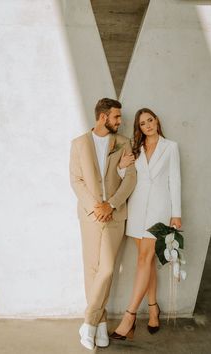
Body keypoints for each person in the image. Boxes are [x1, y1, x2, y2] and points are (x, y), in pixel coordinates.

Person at [69, 98, 136, 349]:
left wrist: (113, 204)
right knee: (93, 269)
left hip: (115, 214)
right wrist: (95, 207)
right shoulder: (78, 144)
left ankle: (88, 321)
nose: (121, 121)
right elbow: (76, 180)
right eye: (117, 117)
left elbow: (130, 178)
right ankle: (101, 322)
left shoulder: (123, 143)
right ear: (102, 117)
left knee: (107, 268)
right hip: (90, 215)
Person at [110, 108, 181, 340]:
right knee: (146, 262)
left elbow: (175, 181)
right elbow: (127, 177)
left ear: (157, 121)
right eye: (142, 123)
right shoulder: (136, 148)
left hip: (160, 210)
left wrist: (176, 213)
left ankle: (129, 316)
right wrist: (122, 166)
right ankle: (153, 308)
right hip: (137, 208)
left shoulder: (170, 147)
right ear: (139, 128)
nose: (147, 125)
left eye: (150, 120)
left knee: (144, 259)